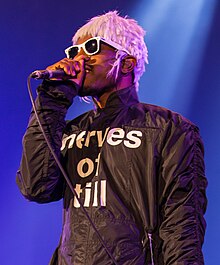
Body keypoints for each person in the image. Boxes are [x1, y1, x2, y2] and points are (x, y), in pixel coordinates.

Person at [16, 11, 207, 265]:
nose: (79, 59)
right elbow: (36, 187)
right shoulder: (71, 130)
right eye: (74, 52)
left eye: (92, 48)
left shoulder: (170, 129)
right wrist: (52, 101)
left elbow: (182, 226)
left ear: (126, 63)